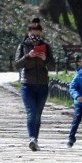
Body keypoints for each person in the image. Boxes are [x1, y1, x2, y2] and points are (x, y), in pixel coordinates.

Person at [14, 18, 55, 151]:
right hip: (27, 84)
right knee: (31, 112)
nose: (35, 37)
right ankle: (32, 138)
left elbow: (53, 65)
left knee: (38, 114)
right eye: (33, 34)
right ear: (28, 33)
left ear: (41, 34)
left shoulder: (46, 47)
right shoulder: (22, 46)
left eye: (38, 35)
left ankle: (35, 140)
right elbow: (17, 64)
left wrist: (45, 59)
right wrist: (29, 56)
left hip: (42, 84)